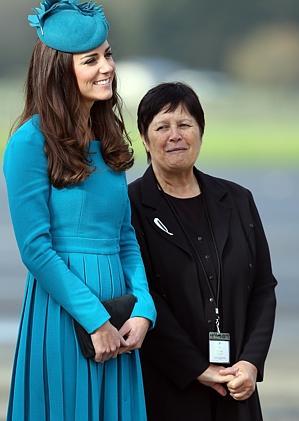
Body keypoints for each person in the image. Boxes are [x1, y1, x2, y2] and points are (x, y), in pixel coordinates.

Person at [3, 1, 156, 420]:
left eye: (108, 54)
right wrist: (95, 320)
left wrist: (143, 305)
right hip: (66, 316)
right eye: (91, 59)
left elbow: (125, 236)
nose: (107, 66)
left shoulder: (106, 139)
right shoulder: (28, 144)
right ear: (58, 70)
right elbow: (35, 249)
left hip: (118, 317)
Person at [128, 82, 277, 421]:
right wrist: (196, 368)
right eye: (162, 127)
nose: (175, 135)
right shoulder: (129, 206)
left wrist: (251, 363)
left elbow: (264, 288)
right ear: (144, 137)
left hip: (238, 384)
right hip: (168, 387)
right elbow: (143, 295)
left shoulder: (238, 200)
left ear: (201, 131)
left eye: (185, 124)